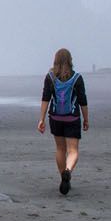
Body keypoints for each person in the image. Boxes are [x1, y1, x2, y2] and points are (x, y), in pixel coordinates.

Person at [36, 47, 89, 195]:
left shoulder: (50, 77)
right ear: (70, 61)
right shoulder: (77, 78)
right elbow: (83, 101)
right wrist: (86, 119)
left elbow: (45, 98)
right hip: (72, 118)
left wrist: (41, 119)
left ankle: (63, 178)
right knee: (73, 150)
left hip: (55, 118)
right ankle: (68, 171)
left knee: (60, 149)